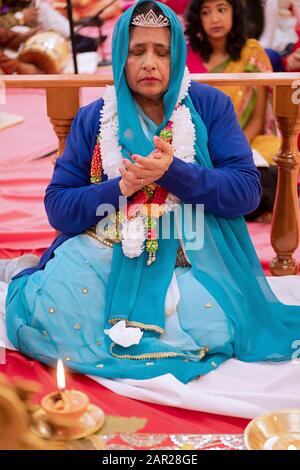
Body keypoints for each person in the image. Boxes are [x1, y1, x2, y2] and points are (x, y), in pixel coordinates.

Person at [3, 0, 300, 385]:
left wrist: (174, 172)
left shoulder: (209, 107)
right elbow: (59, 208)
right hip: (105, 253)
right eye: (137, 51)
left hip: (192, 255)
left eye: (162, 51)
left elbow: (245, 192)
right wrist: (120, 188)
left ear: (177, 56)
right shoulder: (94, 117)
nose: (149, 63)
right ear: (119, 57)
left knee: (208, 325)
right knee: (59, 311)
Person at [185, 0, 281, 220]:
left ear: (234, 13)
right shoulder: (190, 58)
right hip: (198, 142)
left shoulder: (252, 54)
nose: (215, 18)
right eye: (206, 12)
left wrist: (233, 152)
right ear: (198, 19)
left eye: (221, 9)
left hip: (244, 141)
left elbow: (257, 120)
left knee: (276, 154)